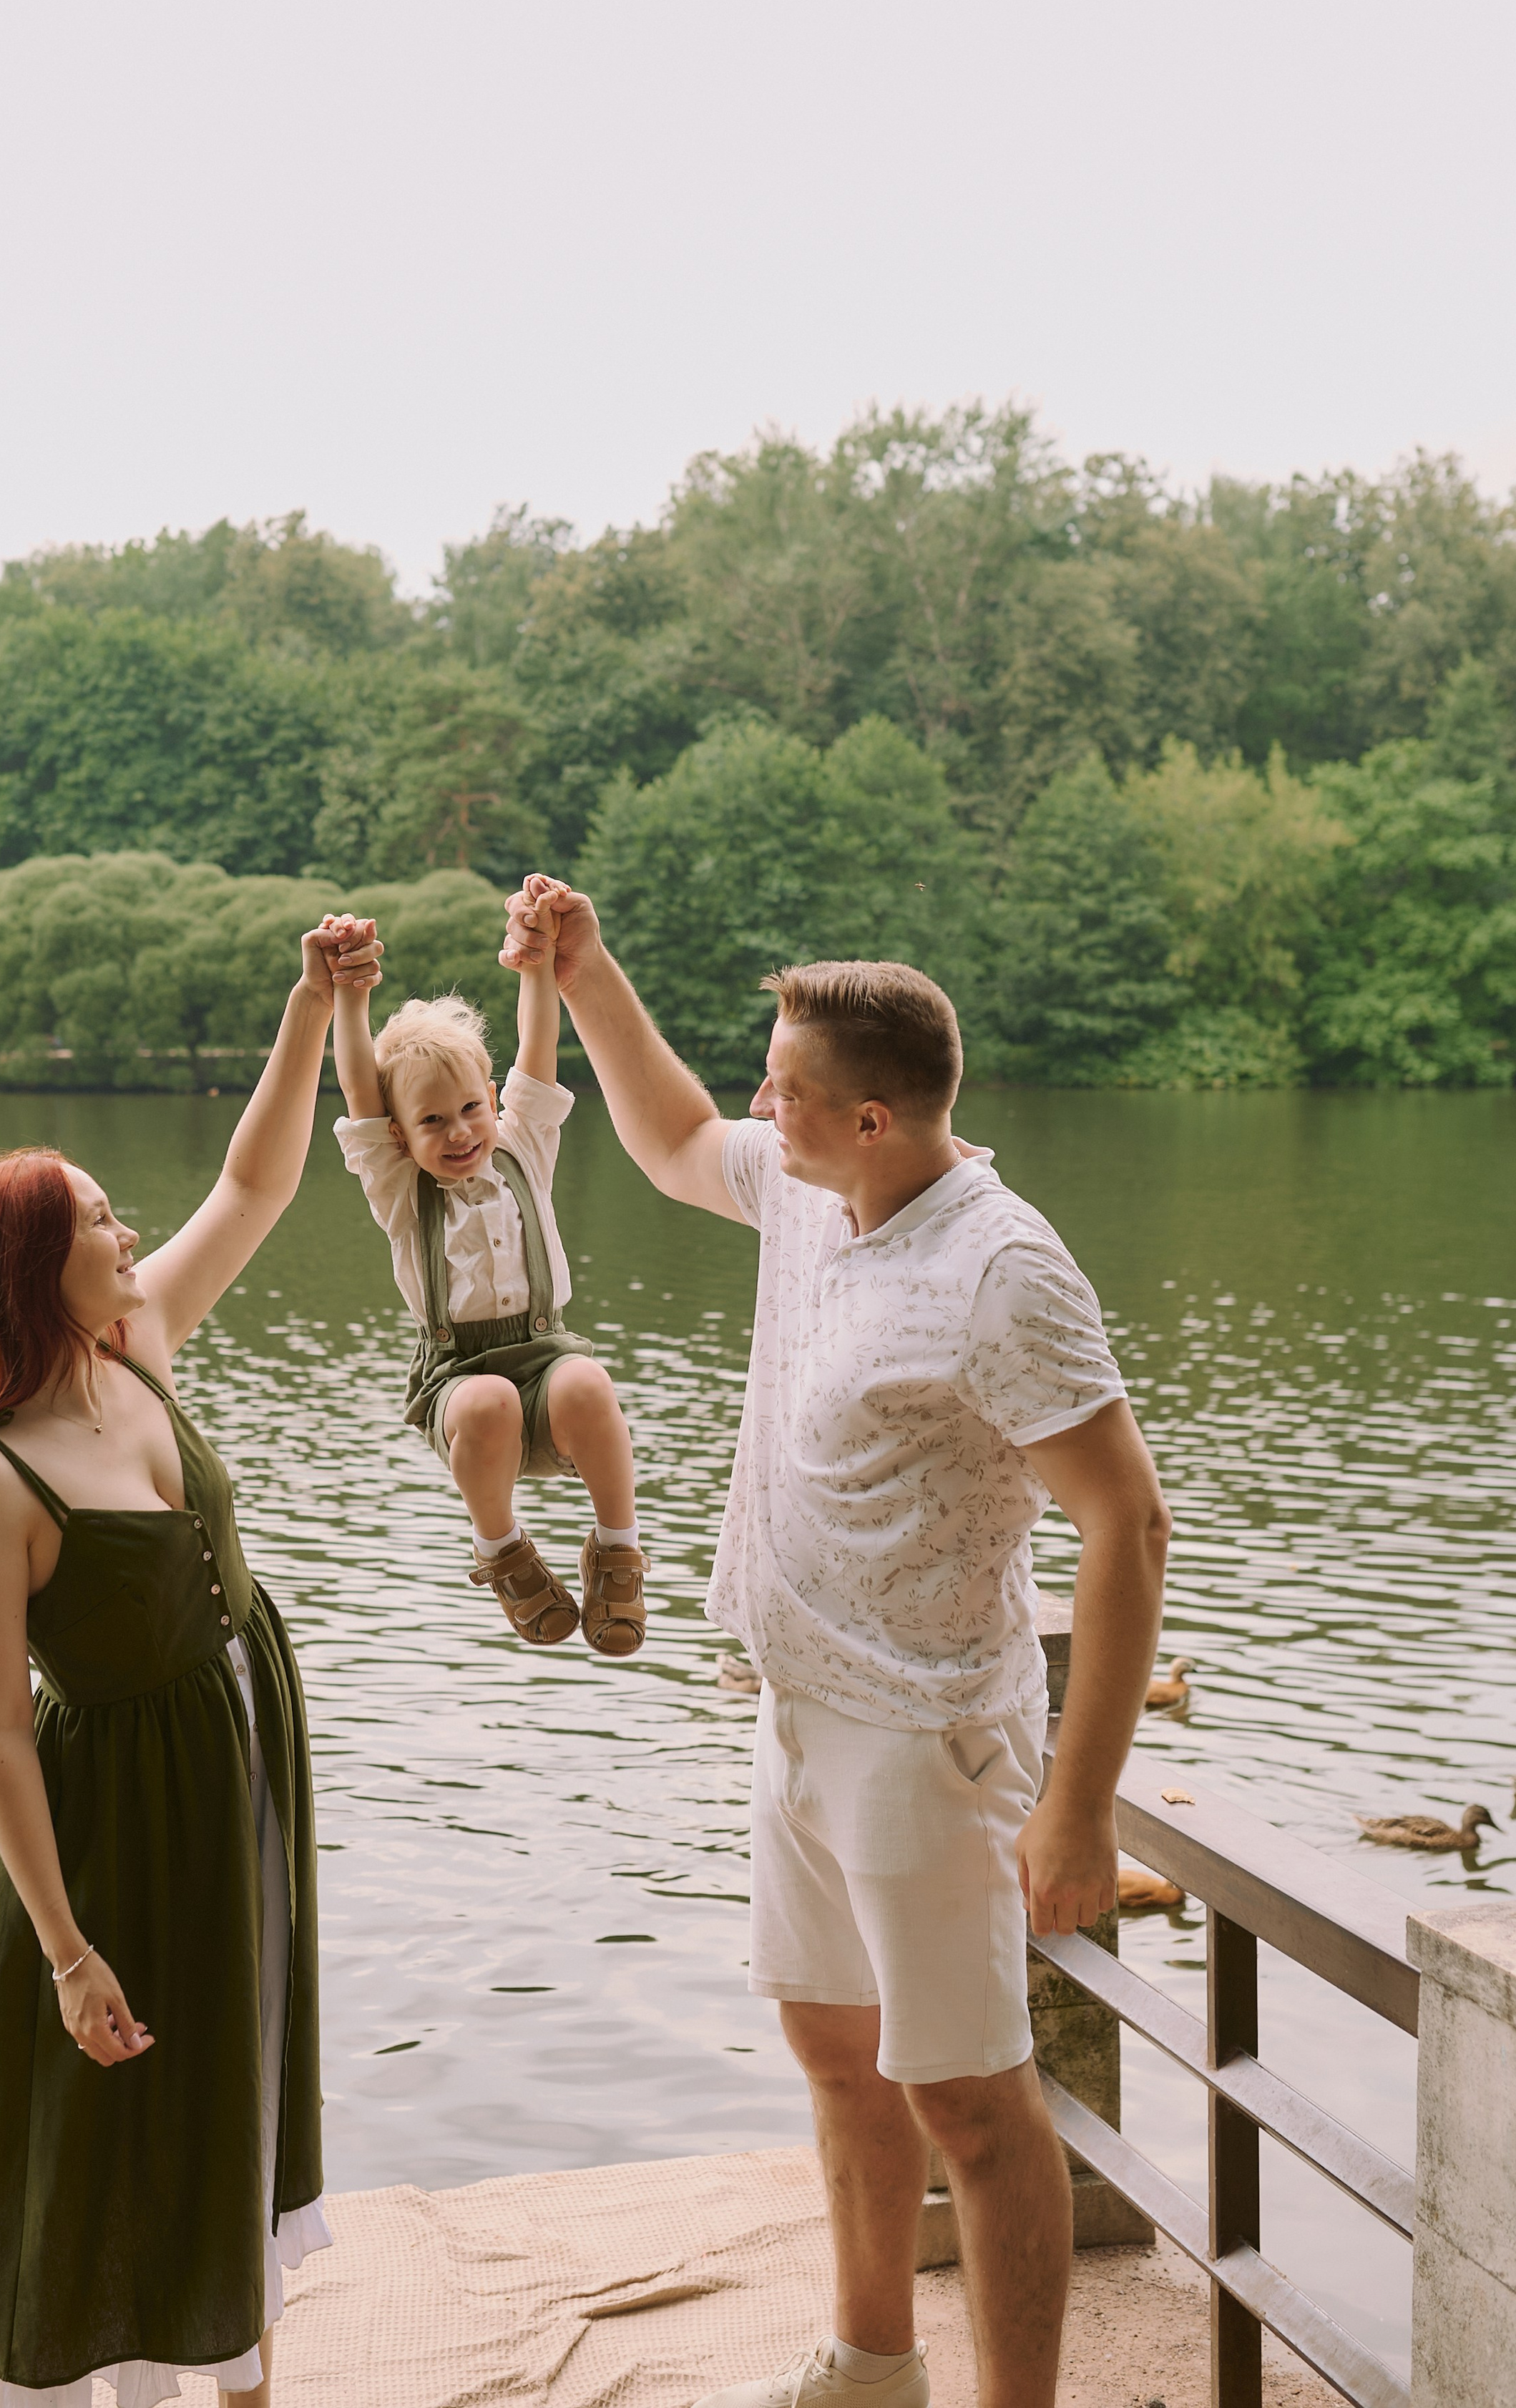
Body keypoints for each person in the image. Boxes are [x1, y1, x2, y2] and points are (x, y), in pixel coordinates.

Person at [501, 887, 1170, 2408]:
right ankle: (871, 2365)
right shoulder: (815, 1191)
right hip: (795, 1707)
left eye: (783, 1090)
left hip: (927, 1741)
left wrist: (1076, 1805)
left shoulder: (1000, 1270)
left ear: (872, 1117)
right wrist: (587, 970)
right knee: (830, 2046)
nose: (759, 1106)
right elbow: (670, 1138)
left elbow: (1126, 1525)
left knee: (973, 2106)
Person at [0, 920, 377, 2408]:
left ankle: (242, 2387)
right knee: (115, 2113)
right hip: (118, 1817)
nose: (128, 1234)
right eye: (100, 1221)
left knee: (230, 2080)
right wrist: (66, 1947)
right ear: (39, 1265)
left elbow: (255, 1183)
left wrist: (308, 1007)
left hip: (239, 1761)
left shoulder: (138, 1342)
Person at [326, 892, 646, 1656]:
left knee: (588, 1382)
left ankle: (617, 1548)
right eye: (432, 1121)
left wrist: (537, 964)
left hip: (545, 1359)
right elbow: (354, 1087)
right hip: (461, 1381)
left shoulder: (522, 1149)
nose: (460, 1131)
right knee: (491, 1400)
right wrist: (350, 994)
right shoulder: (401, 1188)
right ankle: (502, 1548)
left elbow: (538, 1046)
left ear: (495, 1102)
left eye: (471, 1108)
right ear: (398, 1134)